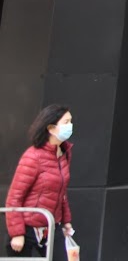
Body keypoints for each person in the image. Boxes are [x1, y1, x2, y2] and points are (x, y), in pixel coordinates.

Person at [6, 105, 73, 258]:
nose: (70, 126)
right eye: (66, 122)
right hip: (27, 228)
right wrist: (17, 233)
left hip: (51, 225)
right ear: (51, 128)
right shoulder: (33, 157)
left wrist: (66, 221)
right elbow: (14, 197)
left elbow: (61, 192)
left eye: (71, 121)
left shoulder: (63, 153)